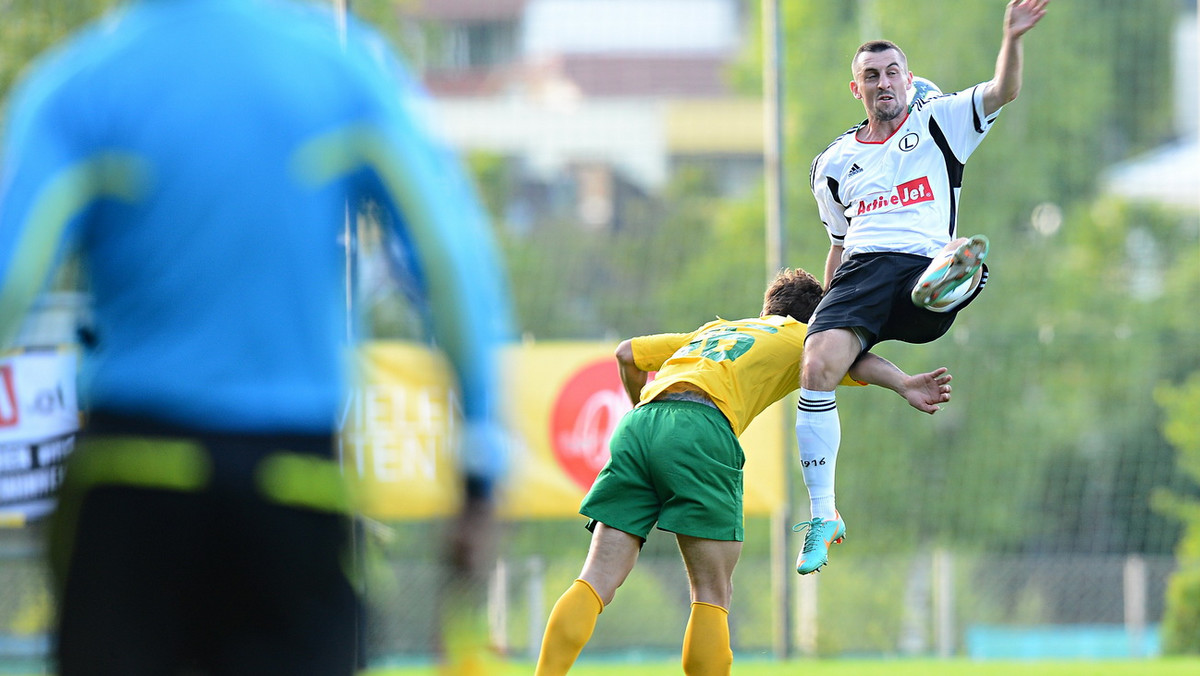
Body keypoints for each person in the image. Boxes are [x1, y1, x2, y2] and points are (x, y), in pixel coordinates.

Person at [0, 1, 511, 674]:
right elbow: (451, 265)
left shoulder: (81, 83)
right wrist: (480, 467)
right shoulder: (343, 72)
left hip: (131, 488)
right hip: (291, 489)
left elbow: (12, 282)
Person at [534, 268, 953, 676]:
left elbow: (626, 352)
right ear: (817, 316)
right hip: (702, 427)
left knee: (596, 578)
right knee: (712, 594)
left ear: (767, 308)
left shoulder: (718, 330)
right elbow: (855, 362)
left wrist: (642, 409)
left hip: (640, 426)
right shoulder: (804, 336)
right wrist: (904, 383)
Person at [793, 0, 1049, 575]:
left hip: (919, 267)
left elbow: (1003, 90)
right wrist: (827, 315)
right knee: (816, 365)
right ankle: (823, 514)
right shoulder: (832, 164)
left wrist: (1013, 38)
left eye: (891, 74)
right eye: (871, 77)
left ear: (908, 80)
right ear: (855, 88)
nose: (883, 83)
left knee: (936, 277)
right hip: (862, 272)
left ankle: (955, 277)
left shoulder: (940, 121)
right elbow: (838, 242)